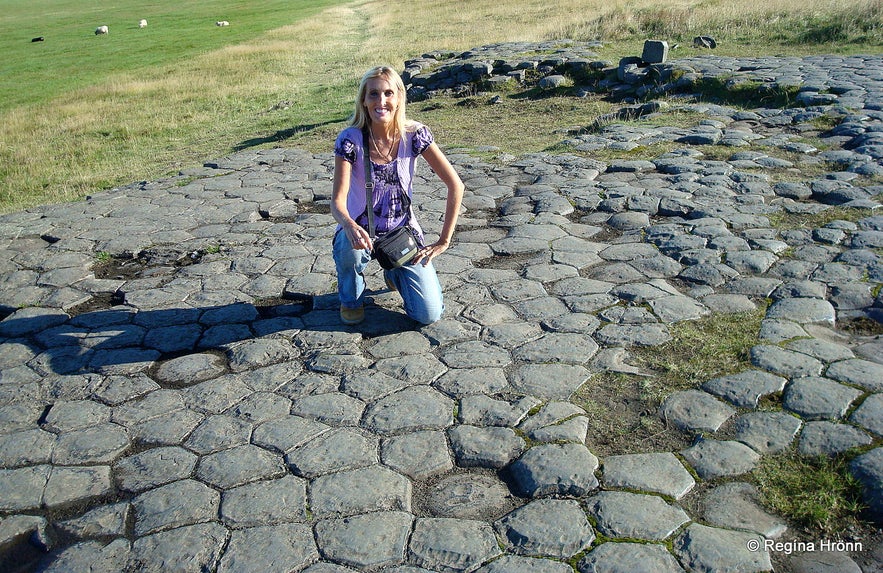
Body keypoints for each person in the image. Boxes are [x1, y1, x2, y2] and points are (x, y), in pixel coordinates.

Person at [330, 66, 464, 326]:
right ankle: (351, 298)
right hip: (361, 231)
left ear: (399, 97)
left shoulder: (415, 135)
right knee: (349, 247)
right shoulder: (350, 139)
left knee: (428, 314)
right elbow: (337, 202)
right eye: (374, 94)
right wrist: (349, 225)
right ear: (364, 101)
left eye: (388, 93)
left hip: (402, 233)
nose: (381, 101)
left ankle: (394, 271)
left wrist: (444, 241)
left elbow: (455, 185)